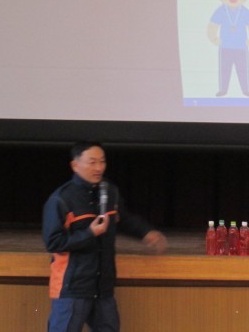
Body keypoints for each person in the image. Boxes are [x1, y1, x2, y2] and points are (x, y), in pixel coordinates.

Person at [42, 141, 167, 332]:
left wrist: (145, 232)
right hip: (73, 286)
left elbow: (122, 218)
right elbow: (54, 243)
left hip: (103, 287)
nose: (99, 168)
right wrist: (90, 233)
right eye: (92, 162)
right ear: (75, 165)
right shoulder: (61, 199)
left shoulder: (109, 191)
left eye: (102, 161)